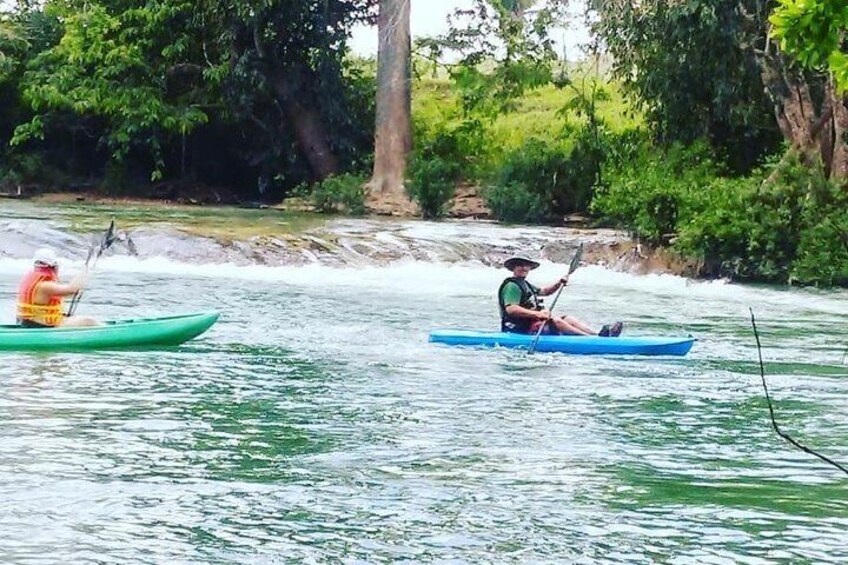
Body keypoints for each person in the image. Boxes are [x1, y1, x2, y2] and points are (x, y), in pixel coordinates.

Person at [498, 254, 623, 337]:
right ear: (514, 268)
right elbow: (511, 309)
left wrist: (559, 282)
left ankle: (598, 335)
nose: (524, 268)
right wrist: (538, 314)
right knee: (555, 320)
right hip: (518, 328)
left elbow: (545, 291)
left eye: (527, 265)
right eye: (521, 265)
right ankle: (591, 339)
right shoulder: (512, 286)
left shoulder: (526, 284)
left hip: (529, 323)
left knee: (568, 319)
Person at [16, 248, 98, 328]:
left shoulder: (31, 279)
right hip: (43, 325)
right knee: (89, 321)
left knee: (75, 319)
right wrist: (85, 271)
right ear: (54, 266)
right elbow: (72, 290)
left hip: (28, 323)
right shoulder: (45, 285)